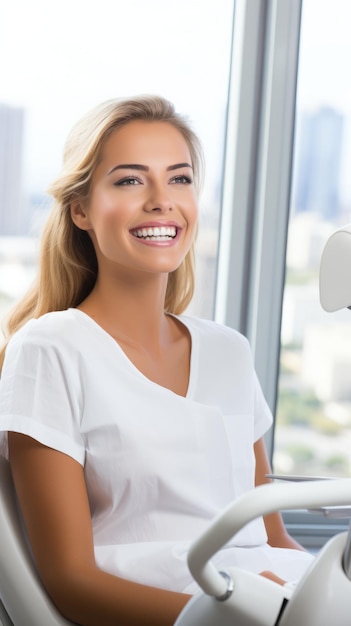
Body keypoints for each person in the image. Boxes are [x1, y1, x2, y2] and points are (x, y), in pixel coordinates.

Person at [0, 95, 314, 626]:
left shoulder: (228, 351)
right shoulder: (51, 349)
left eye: (180, 179)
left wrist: (309, 599)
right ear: (80, 209)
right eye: (129, 180)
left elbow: (271, 536)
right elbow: (71, 583)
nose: (161, 200)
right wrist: (245, 620)